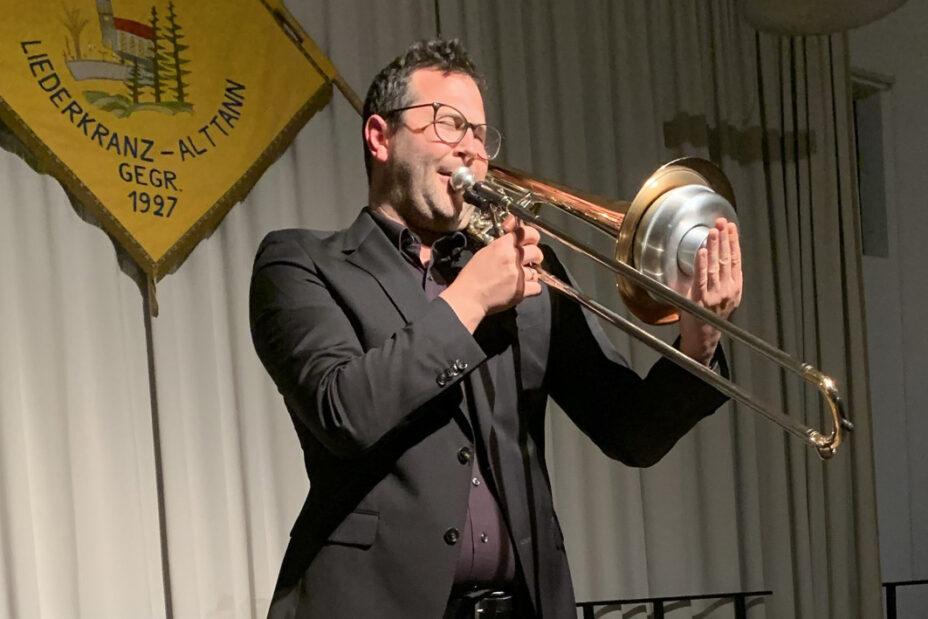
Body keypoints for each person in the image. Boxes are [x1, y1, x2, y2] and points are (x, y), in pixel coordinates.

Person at [249, 39, 742, 619]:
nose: (472, 149)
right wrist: (471, 298)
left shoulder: (522, 272)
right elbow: (344, 412)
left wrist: (699, 338)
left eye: (481, 134)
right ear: (380, 138)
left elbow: (629, 434)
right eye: (448, 123)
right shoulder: (303, 262)